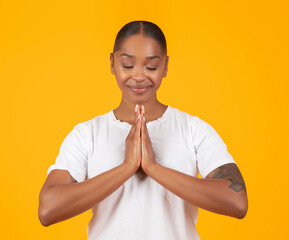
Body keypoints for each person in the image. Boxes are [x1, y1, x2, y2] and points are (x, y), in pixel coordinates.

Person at [38, 20, 248, 240]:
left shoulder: (193, 129)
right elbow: (48, 210)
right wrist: (127, 167)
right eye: (127, 65)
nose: (138, 76)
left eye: (151, 67)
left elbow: (237, 202)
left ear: (165, 66)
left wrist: (152, 167)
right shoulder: (86, 135)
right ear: (112, 63)